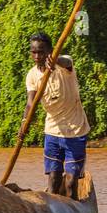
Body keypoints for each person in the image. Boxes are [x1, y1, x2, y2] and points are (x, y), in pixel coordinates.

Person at [19, 31, 90, 198]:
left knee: (71, 182)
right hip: (52, 131)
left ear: (49, 51)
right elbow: (31, 103)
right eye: (34, 52)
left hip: (75, 131)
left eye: (41, 51)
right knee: (53, 179)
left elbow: (67, 62)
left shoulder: (63, 66)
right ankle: (53, 212)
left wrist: (55, 60)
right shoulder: (32, 75)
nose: (37, 55)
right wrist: (25, 121)